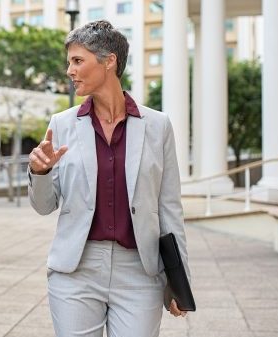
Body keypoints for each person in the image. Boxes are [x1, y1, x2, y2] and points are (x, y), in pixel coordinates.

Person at [27, 20, 190, 337]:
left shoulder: (158, 126)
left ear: (109, 61)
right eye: (70, 62)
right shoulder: (61, 124)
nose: (69, 70)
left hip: (140, 272)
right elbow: (45, 206)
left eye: (78, 61)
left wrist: (178, 279)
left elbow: (170, 207)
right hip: (76, 270)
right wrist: (40, 171)